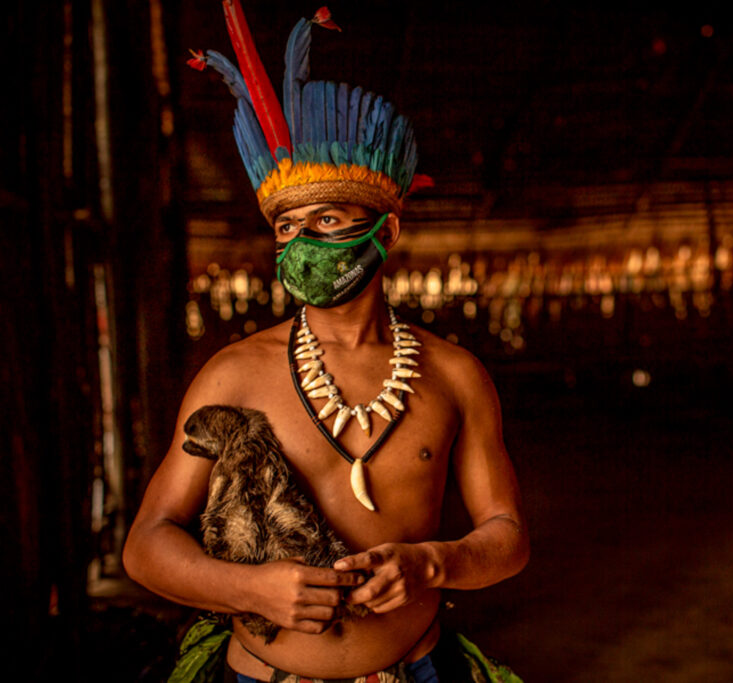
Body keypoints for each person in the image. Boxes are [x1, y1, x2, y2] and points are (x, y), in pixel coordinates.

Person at [122, 4, 528, 681]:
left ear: (387, 233)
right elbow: (145, 543)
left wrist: (433, 561)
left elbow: (506, 535)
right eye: (287, 229)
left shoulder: (454, 375)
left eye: (329, 219)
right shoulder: (234, 375)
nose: (302, 245)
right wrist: (246, 589)